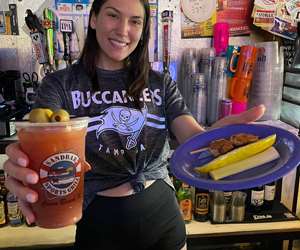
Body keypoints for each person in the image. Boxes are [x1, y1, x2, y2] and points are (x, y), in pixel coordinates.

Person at [3, 0, 265, 249]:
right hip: (100, 225)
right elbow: (45, 134)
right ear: (94, 18)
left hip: (163, 216)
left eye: (135, 21)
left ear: (143, 29)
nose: (123, 30)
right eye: (113, 15)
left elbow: (191, 136)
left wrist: (219, 137)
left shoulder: (159, 82)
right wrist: (27, 161)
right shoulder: (61, 84)